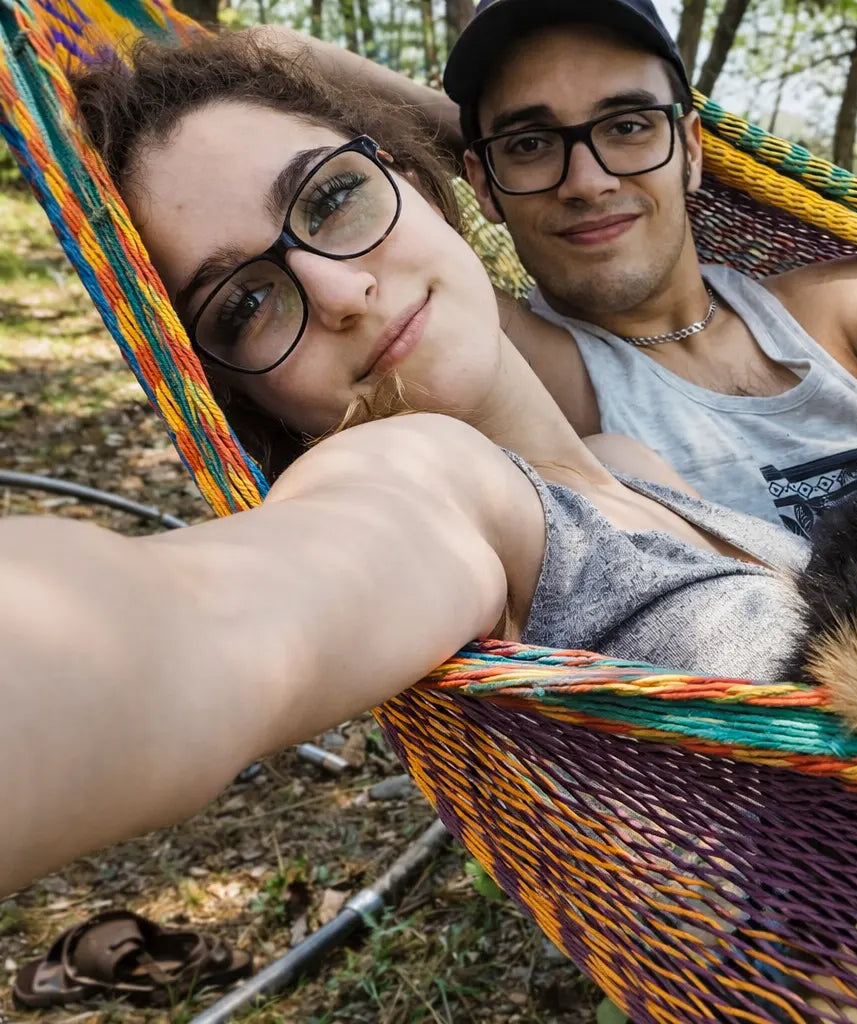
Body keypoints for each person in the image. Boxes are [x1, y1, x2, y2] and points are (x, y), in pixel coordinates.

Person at [68, 29, 813, 752]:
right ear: (240, 391)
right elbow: (195, 623)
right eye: (244, 305)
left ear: (421, 186)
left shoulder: (628, 466)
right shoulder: (435, 493)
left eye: (332, 200)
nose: (341, 291)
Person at [251, 5, 857, 536]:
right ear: (483, 183)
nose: (587, 182)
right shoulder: (533, 369)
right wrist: (486, 131)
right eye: (535, 146)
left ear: (694, 152)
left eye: (627, 127)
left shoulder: (832, 313)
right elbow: (267, 53)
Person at [1, 414, 516, 896]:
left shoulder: (593, 395)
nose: (345, 309)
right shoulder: (417, 462)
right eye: (245, 312)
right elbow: (202, 622)